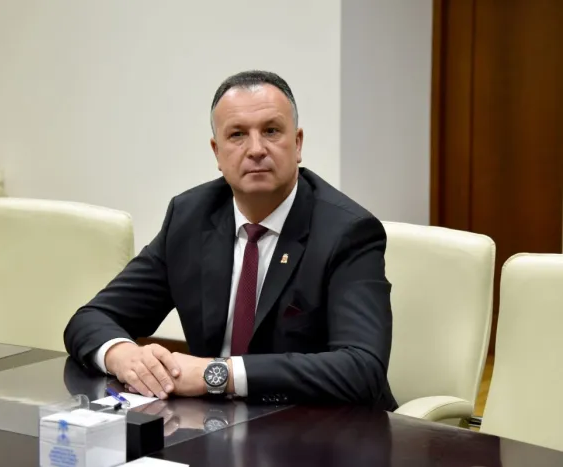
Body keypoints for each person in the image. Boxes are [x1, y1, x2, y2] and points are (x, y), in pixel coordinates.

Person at [64, 70, 397, 410]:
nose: (256, 149)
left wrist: (216, 374)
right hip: (217, 423)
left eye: (271, 131)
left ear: (297, 144)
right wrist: (123, 356)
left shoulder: (347, 232)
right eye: (237, 135)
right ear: (217, 152)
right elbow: (90, 319)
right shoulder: (190, 217)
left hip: (321, 426)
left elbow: (362, 369)